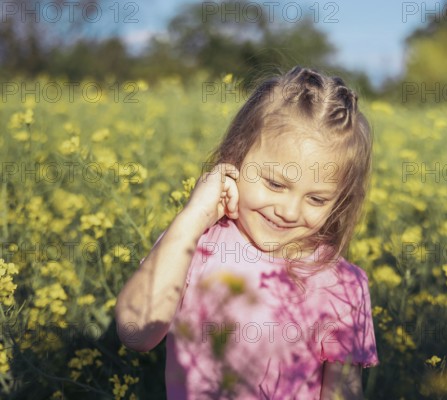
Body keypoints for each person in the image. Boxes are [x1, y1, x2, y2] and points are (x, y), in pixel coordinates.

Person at [115, 66, 379, 399]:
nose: (289, 211)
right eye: (275, 184)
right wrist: (192, 218)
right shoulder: (196, 245)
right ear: (234, 159)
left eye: (316, 198)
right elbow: (136, 333)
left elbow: (341, 392)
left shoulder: (342, 284)